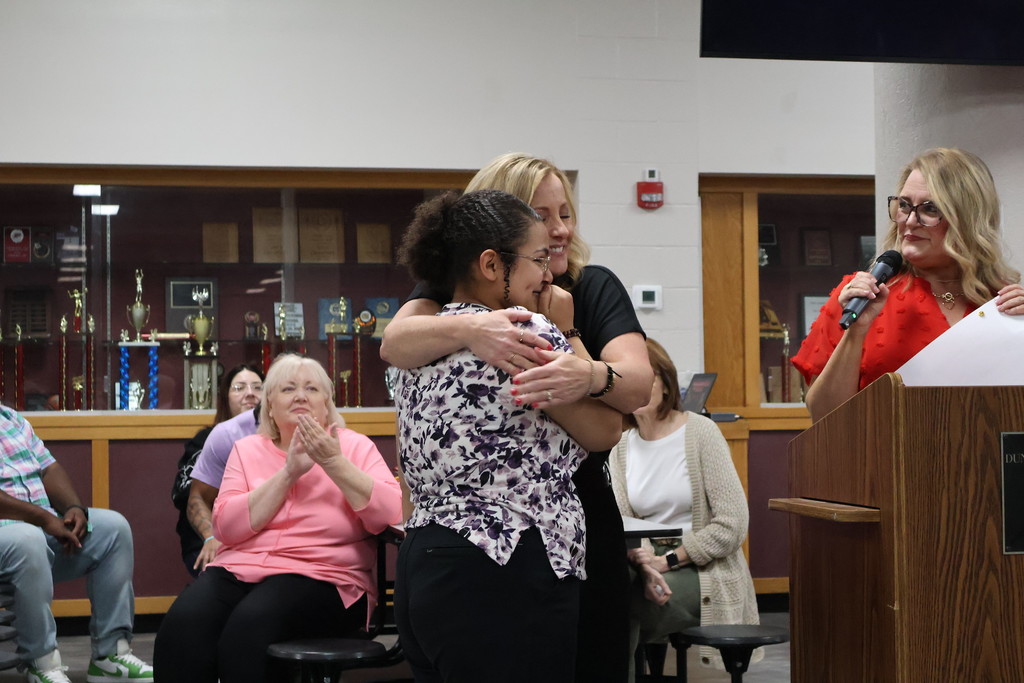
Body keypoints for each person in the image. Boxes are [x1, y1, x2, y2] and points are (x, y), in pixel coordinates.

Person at [382, 153, 653, 682]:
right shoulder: (526, 328)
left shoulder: (435, 329)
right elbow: (603, 431)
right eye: (539, 221)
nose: (557, 234)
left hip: (429, 549)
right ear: (491, 258)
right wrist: (568, 338)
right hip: (513, 550)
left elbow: (395, 351)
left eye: (565, 214)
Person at [153, 354, 402, 683]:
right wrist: (288, 474)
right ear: (269, 406)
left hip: (327, 577)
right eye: (288, 388)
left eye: (312, 388)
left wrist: (332, 462)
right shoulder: (246, 450)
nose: (300, 395)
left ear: (327, 404)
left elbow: (392, 513)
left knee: (249, 627)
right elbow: (225, 526)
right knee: (184, 624)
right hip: (239, 568)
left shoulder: (355, 447)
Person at [793, 148, 1024, 422]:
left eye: (930, 209)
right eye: (904, 205)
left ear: (967, 218)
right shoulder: (861, 297)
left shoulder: (1002, 301)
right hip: (884, 460)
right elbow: (823, 415)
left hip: (980, 461)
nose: (910, 221)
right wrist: (855, 333)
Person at [608, 339, 759, 679]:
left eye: (646, 376)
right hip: (647, 564)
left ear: (666, 381)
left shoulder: (701, 432)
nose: (637, 386)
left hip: (702, 569)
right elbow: (624, 524)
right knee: (609, 593)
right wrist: (646, 566)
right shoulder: (620, 444)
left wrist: (667, 560)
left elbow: (732, 525)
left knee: (624, 607)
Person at [0, 403, 154, 683]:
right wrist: (44, 518)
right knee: (28, 539)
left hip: (38, 528)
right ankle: (43, 664)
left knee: (112, 528)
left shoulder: (9, 417)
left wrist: (74, 508)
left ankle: (110, 657)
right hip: (16, 534)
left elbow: (48, 468)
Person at [171, 364, 263, 576]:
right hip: (211, 536)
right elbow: (193, 499)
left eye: (258, 387)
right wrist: (211, 537)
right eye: (239, 388)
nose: (250, 394)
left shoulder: (277, 440)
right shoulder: (207, 441)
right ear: (225, 399)